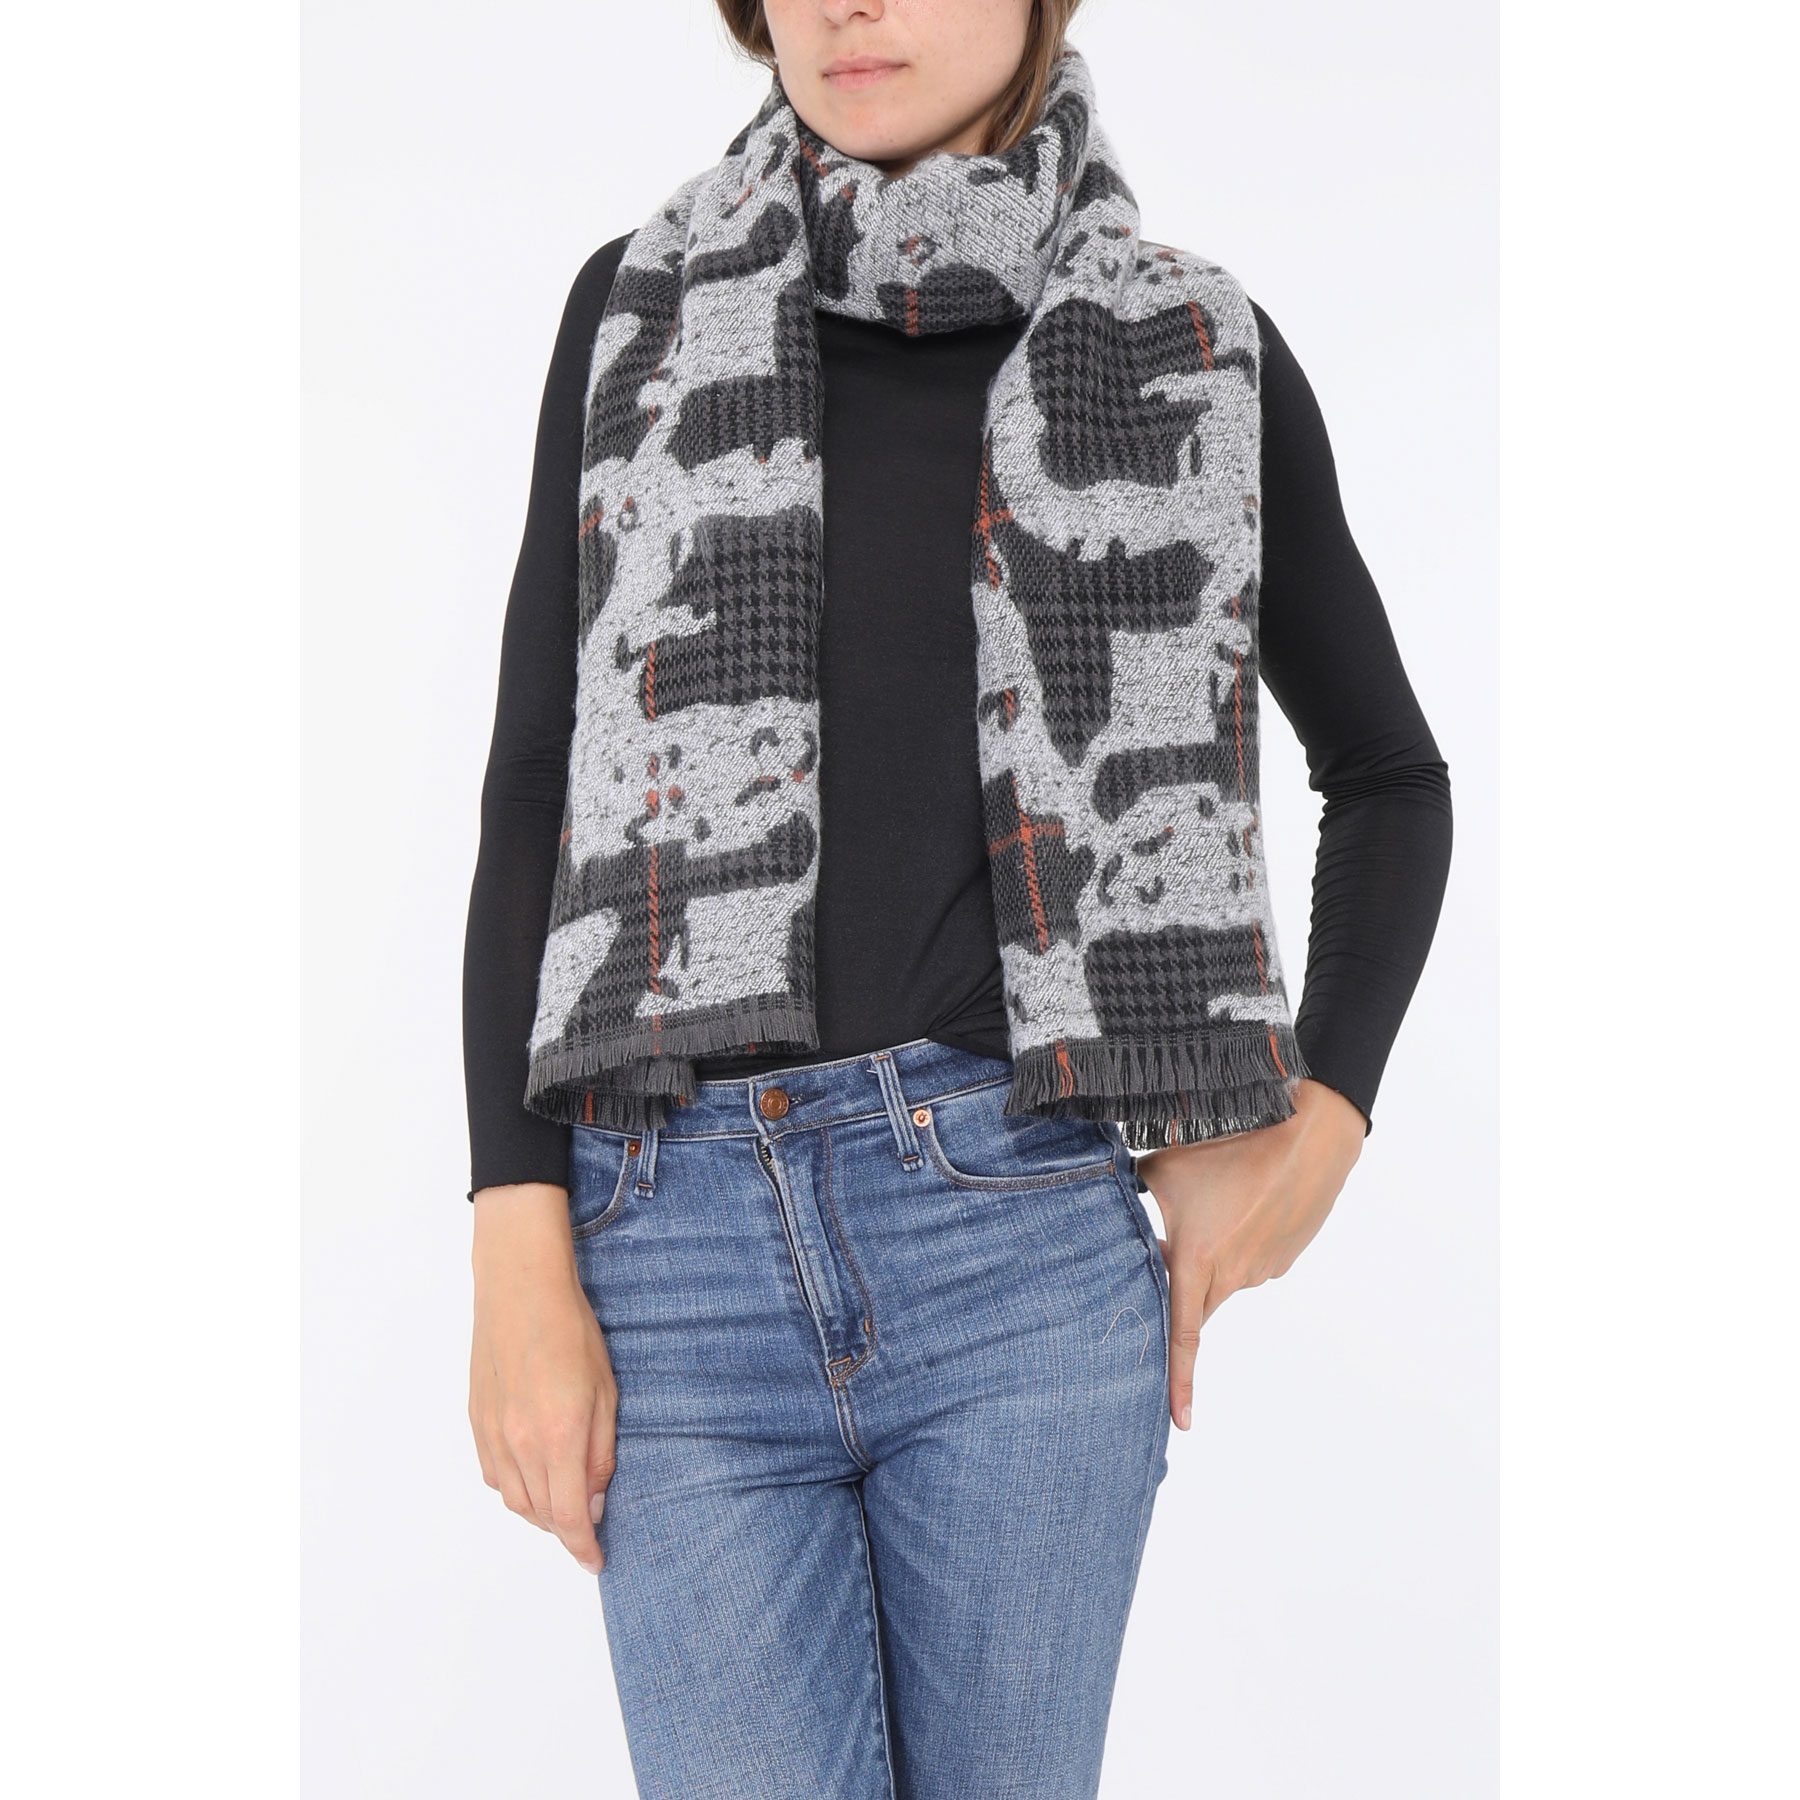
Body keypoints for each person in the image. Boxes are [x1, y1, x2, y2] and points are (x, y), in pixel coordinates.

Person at [462, 2, 1452, 1794]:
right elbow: (540, 779)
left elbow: (1390, 775)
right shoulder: (637, 312)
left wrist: (1320, 1129)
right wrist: (513, 1239)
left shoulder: (1194, 347)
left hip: (1018, 1245)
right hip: (672, 1251)